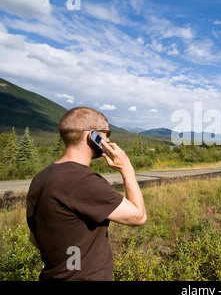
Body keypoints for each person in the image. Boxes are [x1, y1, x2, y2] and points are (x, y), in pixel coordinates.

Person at [26, 106, 147, 281]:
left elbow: (35, 239)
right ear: (92, 136)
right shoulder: (83, 181)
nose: (108, 139)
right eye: (106, 134)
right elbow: (138, 216)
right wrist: (127, 169)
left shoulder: (41, 177)